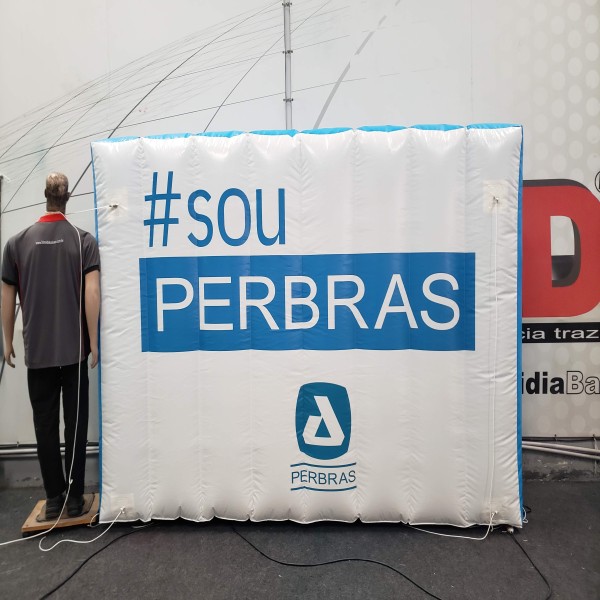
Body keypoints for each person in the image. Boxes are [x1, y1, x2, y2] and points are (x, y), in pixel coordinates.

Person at [1, 172, 100, 519]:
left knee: (44, 426)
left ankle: (54, 498)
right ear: (68, 197)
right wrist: (94, 341)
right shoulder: (83, 240)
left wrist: (7, 340)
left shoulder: (17, 243)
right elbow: (92, 292)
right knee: (75, 425)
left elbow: (7, 296)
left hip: (39, 353)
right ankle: (74, 499)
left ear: (45, 195)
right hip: (74, 352)